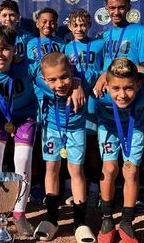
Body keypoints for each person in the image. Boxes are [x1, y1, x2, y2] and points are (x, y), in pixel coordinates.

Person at [0, 26, 85, 238]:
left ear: (15, 50)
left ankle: (19, 213)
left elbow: (64, 67)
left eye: (5, 49)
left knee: (23, 159)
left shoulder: (27, 65)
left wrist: (77, 83)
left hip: (25, 117)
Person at [95, 0, 144, 214]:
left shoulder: (140, 31)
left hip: (133, 106)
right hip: (109, 109)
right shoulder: (103, 36)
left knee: (131, 165)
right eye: (112, 8)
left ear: (128, 7)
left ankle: (132, 202)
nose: (116, 12)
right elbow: (101, 70)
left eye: (121, 8)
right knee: (109, 167)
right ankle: (107, 203)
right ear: (106, 8)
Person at [95, 57, 144, 243]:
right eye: (116, 88)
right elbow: (77, 76)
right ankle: (107, 220)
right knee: (109, 170)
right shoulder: (100, 90)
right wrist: (100, 76)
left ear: (137, 86)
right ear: (107, 84)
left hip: (134, 129)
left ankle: (127, 222)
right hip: (108, 129)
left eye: (128, 88)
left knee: (131, 171)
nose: (122, 95)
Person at [33, 51, 99, 243]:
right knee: (51, 169)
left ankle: (79, 223)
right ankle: (52, 220)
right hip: (51, 131)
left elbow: (104, 74)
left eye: (64, 77)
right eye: (52, 80)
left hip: (76, 130)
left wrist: (78, 81)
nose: (60, 84)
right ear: (44, 79)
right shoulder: (40, 81)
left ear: (71, 70)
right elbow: (21, 67)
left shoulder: (85, 78)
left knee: (76, 171)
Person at [65, 8, 105, 208]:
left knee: (91, 145)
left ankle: (95, 188)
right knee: (75, 146)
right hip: (75, 103)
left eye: (83, 24)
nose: (79, 28)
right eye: (75, 25)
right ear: (69, 26)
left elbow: (106, 70)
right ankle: (76, 187)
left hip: (95, 101)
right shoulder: (65, 49)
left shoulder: (99, 45)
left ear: (89, 25)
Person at [27, 7, 65, 205]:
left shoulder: (61, 44)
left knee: (55, 144)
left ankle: (59, 184)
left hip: (55, 101)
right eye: (44, 21)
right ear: (37, 23)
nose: (48, 25)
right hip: (35, 99)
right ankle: (35, 185)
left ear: (56, 24)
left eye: (52, 22)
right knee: (34, 144)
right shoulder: (30, 44)